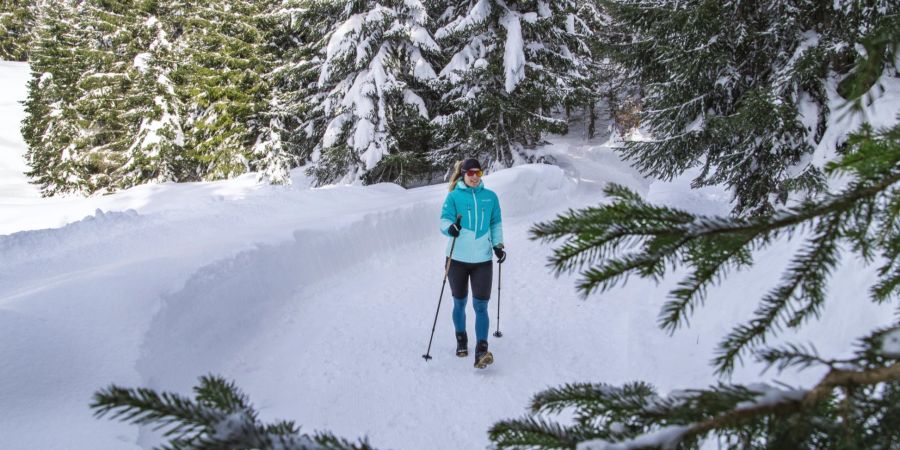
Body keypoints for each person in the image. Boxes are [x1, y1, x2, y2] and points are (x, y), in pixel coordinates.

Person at [440, 158, 506, 369]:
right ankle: (461, 339)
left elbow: (495, 222)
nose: (474, 176)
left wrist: (498, 245)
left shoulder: (490, 197)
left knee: (480, 305)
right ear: (463, 174)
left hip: (482, 260)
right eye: (470, 173)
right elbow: (444, 220)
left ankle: (481, 350)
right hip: (456, 259)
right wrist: (450, 227)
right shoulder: (454, 197)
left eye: (478, 172)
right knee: (459, 303)